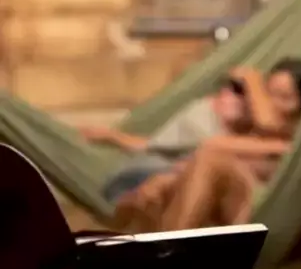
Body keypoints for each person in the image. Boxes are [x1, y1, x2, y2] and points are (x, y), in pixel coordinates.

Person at [123, 57, 301, 232]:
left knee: (208, 159)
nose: (272, 103)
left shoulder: (298, 133)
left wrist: (252, 79)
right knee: (147, 193)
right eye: (268, 93)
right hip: (216, 204)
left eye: (285, 98)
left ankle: (168, 249)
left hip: (257, 213)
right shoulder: (252, 133)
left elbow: (217, 145)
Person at [82, 81, 252, 209]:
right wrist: (110, 135)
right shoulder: (202, 114)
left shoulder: (240, 137)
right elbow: (154, 144)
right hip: (143, 176)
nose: (235, 102)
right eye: (230, 95)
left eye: (241, 101)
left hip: (179, 185)